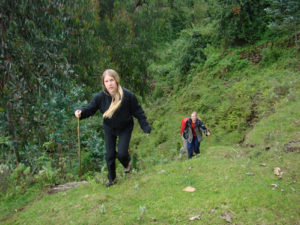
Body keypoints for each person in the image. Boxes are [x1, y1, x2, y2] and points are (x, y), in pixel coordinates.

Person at [74, 69, 151, 187]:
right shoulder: (100, 97)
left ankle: (127, 164)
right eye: (107, 81)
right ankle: (112, 179)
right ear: (103, 84)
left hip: (125, 127)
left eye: (112, 80)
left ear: (116, 81)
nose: (110, 83)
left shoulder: (128, 96)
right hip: (109, 128)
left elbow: (138, 111)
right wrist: (80, 112)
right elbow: (90, 108)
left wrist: (145, 127)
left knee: (122, 153)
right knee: (109, 154)